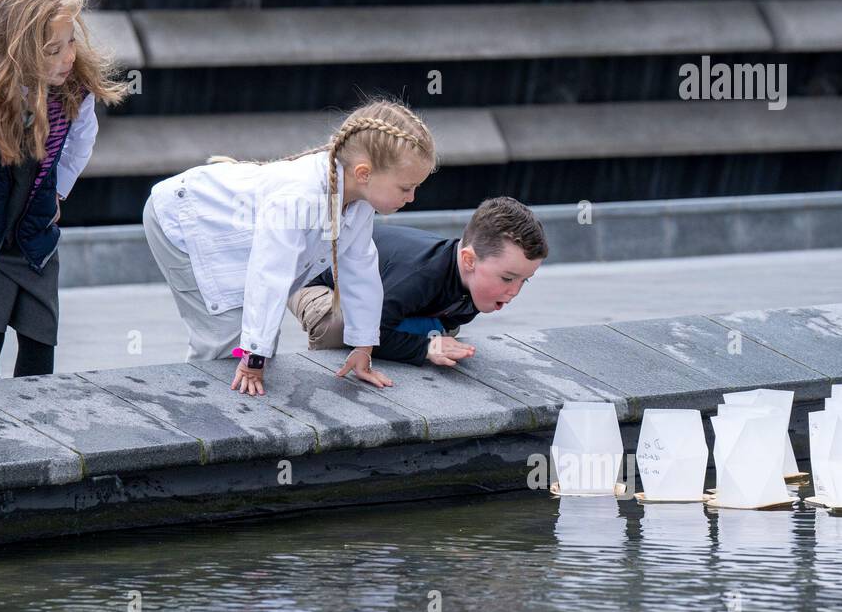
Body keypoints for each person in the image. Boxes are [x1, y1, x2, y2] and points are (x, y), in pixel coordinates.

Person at [143, 95, 436, 395]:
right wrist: (255, 355)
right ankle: (203, 407)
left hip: (225, 233)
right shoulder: (299, 196)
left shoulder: (358, 201)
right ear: (364, 173)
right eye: (406, 188)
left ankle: (235, 392)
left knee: (251, 343)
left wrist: (363, 347)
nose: (411, 197)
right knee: (226, 342)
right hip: (184, 219)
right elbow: (271, 272)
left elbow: (360, 269)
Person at [0, 0, 126, 380]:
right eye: (53, 50)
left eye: (70, 42)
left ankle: (39, 424)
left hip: (32, 237)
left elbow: (81, 141)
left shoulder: (72, 92)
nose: (68, 56)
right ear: (14, 53)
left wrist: (59, 191)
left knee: (40, 339)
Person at [288, 196, 548, 367]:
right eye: (507, 278)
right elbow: (368, 334)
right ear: (469, 260)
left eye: (525, 281)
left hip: (386, 295)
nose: (514, 291)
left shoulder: (474, 290)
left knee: (446, 332)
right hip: (315, 278)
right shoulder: (421, 275)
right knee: (341, 327)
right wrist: (425, 347)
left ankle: (400, 322)